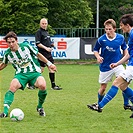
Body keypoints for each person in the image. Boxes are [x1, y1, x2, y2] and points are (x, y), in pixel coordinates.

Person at [0, 31, 57, 118]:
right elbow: (3, 64)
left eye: (13, 42)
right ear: (6, 43)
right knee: (12, 87)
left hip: (34, 72)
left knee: (43, 85)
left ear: (16, 41)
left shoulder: (26, 46)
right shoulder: (7, 54)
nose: (11, 44)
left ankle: (40, 107)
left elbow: (38, 54)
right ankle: (5, 112)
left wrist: (50, 64)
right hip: (20, 75)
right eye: (9, 42)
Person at [87, 14, 133, 118]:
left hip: (125, 66)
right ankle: (100, 103)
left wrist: (119, 63)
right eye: (106, 29)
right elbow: (129, 53)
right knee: (114, 86)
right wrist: (99, 57)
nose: (107, 31)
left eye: (122, 25)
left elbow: (127, 51)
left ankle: (101, 106)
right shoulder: (101, 39)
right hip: (106, 66)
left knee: (118, 83)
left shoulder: (125, 36)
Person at [32, 18, 62, 90]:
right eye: (43, 23)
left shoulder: (47, 32)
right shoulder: (39, 32)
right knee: (40, 70)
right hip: (42, 54)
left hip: (48, 54)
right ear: (40, 24)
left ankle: (53, 86)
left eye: (45, 23)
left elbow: (45, 42)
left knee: (51, 68)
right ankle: (32, 84)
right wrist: (46, 48)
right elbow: (38, 43)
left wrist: (51, 45)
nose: (44, 25)